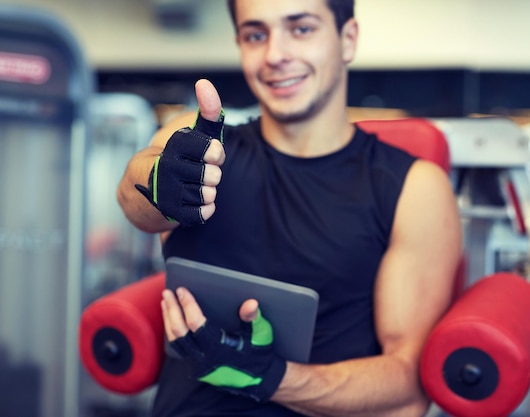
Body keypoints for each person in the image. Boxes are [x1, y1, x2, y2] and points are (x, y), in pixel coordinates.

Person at [116, 0, 462, 416]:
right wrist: (161, 181)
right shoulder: (201, 148)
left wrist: (271, 378)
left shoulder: (413, 187)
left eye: (301, 29)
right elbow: (134, 197)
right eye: (256, 35)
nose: (276, 55)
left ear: (347, 39)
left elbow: (407, 383)